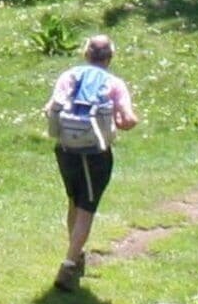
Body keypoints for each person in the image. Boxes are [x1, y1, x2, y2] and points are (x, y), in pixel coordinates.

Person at [41, 37, 137, 290]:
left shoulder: (69, 76)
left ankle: (76, 252)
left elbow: (51, 106)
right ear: (110, 57)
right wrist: (121, 121)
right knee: (87, 206)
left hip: (65, 149)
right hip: (95, 153)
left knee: (74, 199)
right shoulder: (114, 83)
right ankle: (69, 265)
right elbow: (128, 120)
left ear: (86, 54)